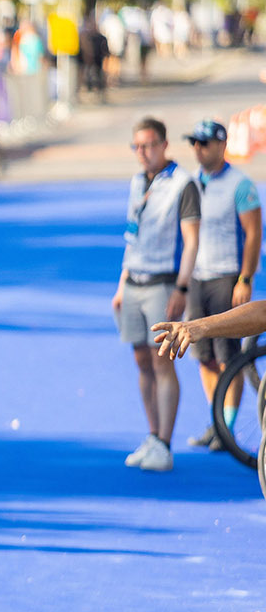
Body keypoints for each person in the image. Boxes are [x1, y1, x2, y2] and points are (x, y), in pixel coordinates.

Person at [113, 117, 201, 472]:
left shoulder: (183, 184)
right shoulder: (137, 182)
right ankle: (152, 434)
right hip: (134, 280)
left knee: (162, 362)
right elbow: (131, 236)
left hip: (164, 282)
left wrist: (182, 286)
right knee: (141, 360)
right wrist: (121, 284)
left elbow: (192, 240)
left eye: (149, 145)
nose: (143, 153)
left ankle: (165, 441)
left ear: (165, 145)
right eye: (137, 146)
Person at [179, 119, 260, 450]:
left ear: (221, 145)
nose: (198, 149)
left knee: (228, 355)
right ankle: (216, 421)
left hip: (227, 276)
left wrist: (245, 277)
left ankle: (226, 426)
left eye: (204, 143)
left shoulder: (241, 185)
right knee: (204, 355)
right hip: (198, 276)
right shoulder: (193, 184)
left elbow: (254, 233)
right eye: (194, 143)